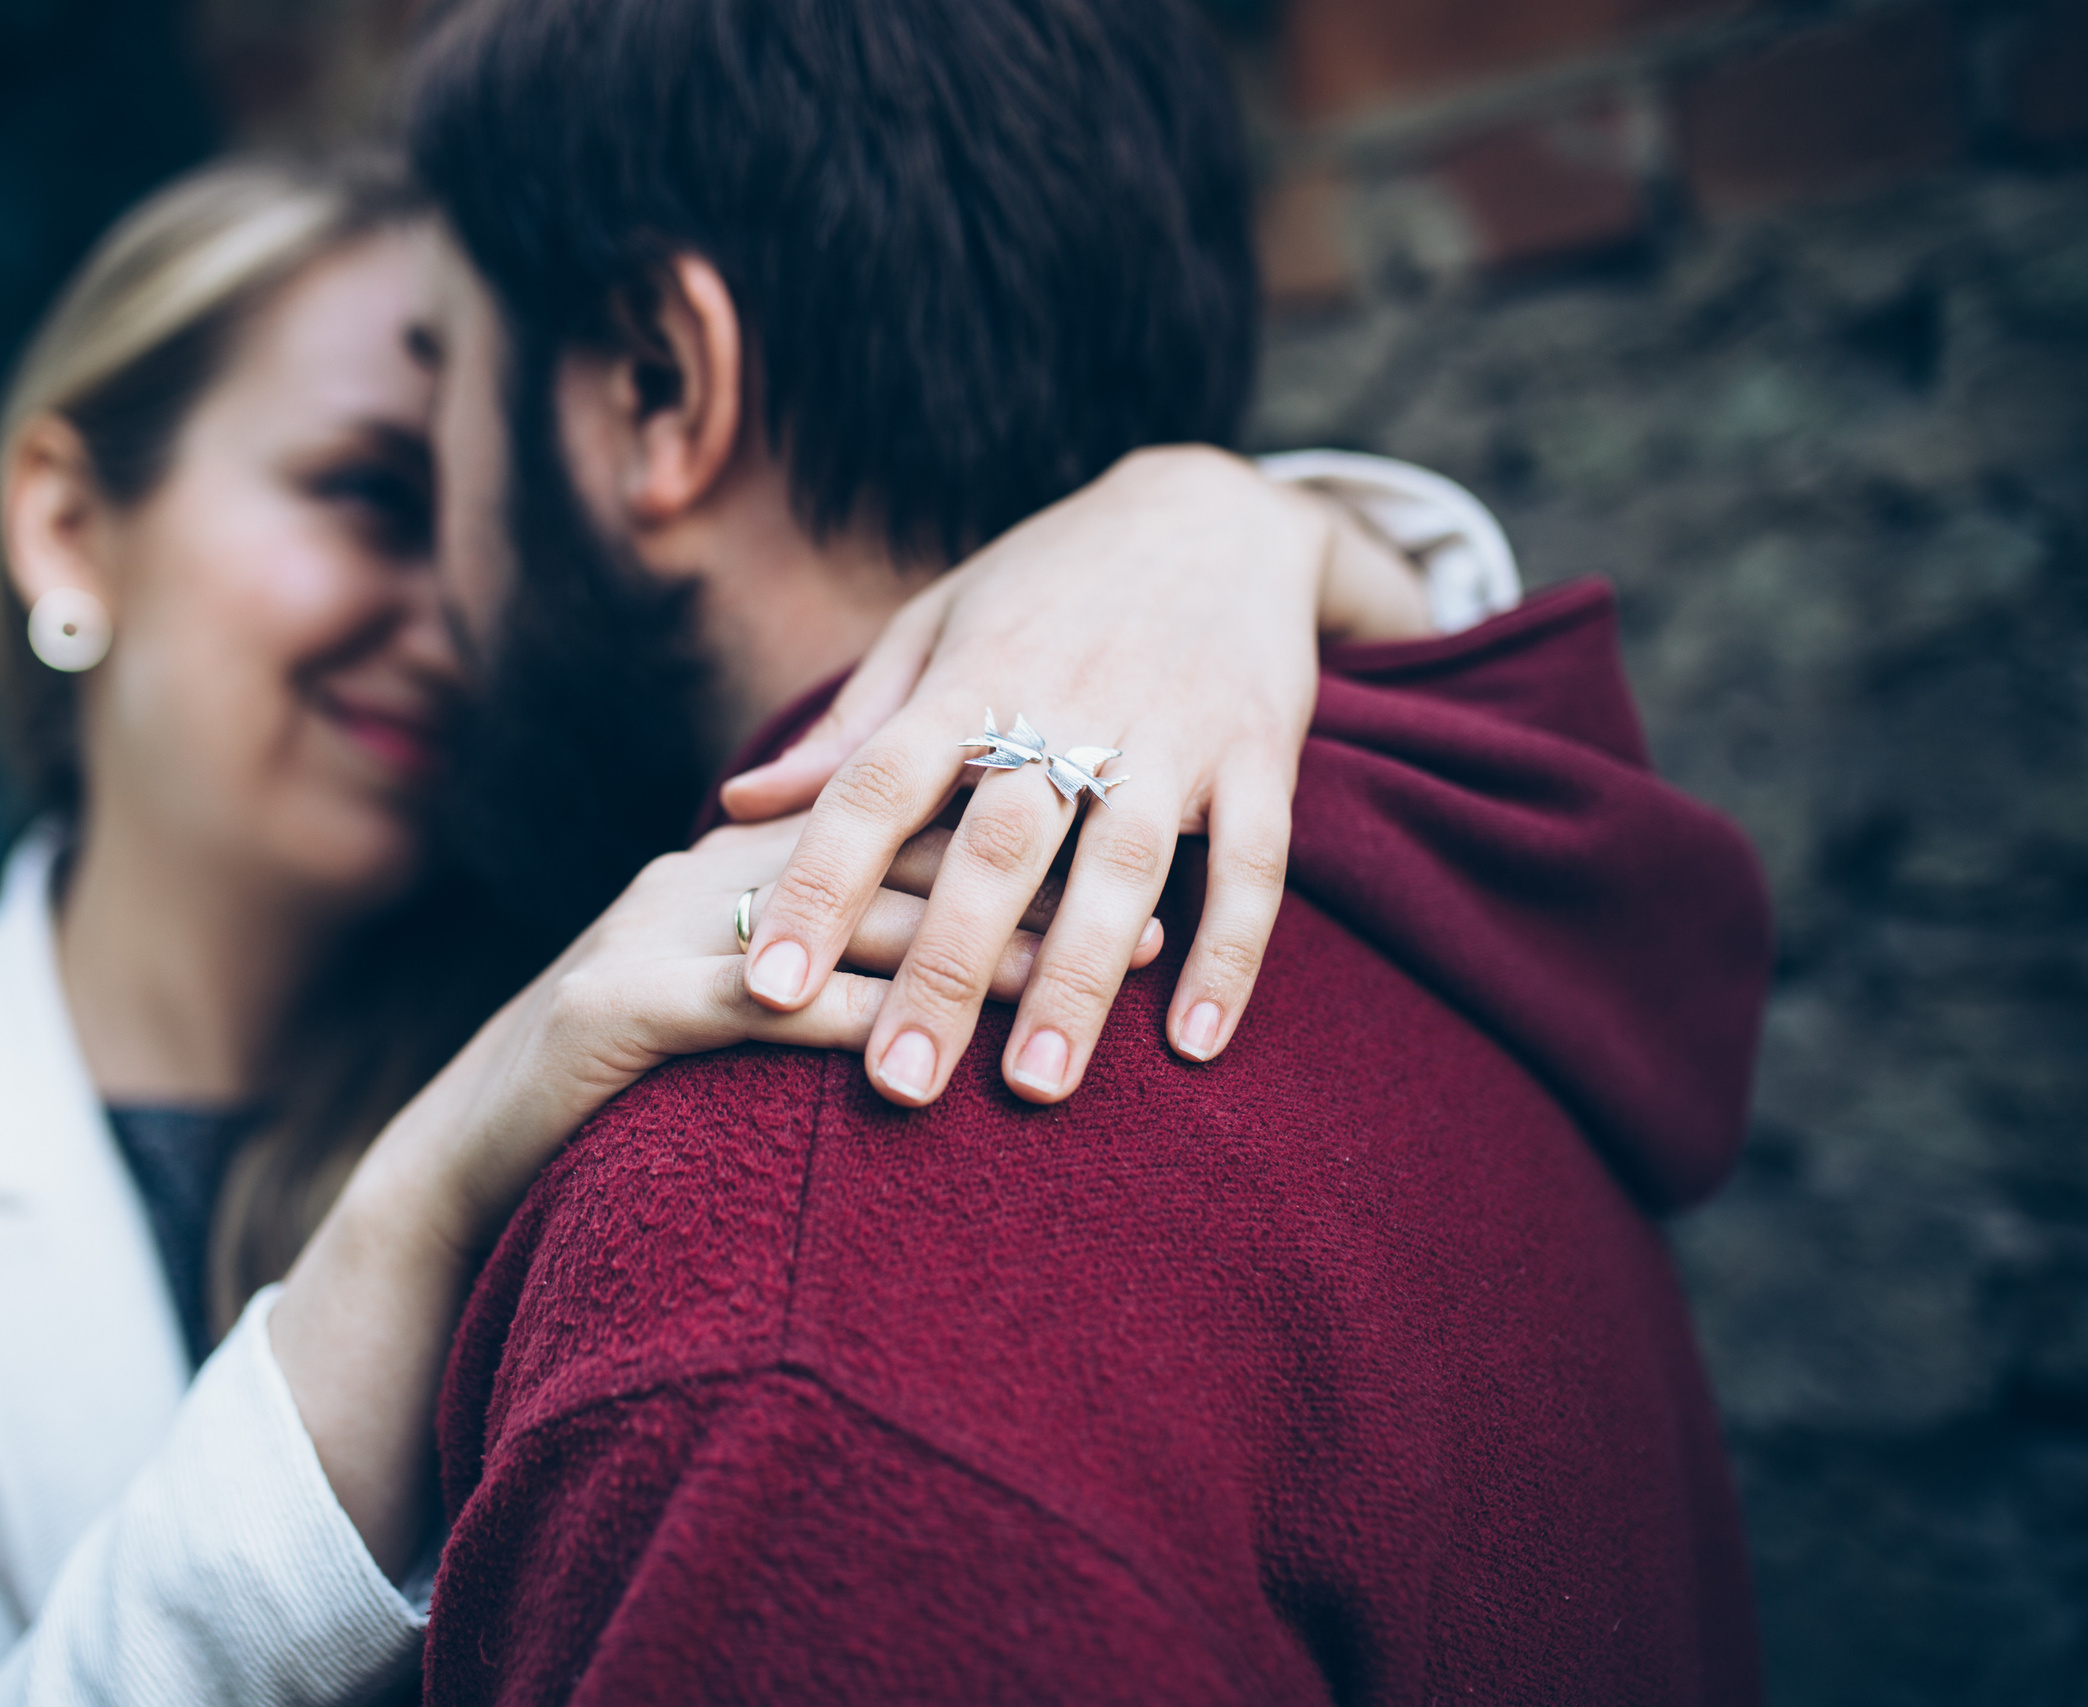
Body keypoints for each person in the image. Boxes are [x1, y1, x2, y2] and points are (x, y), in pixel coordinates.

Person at [0, 143, 1516, 1705]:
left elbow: (1432, 647)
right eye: (362, 491)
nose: (452, 605)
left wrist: (1224, 521)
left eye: (478, 505)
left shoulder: (657, 938)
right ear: (70, 525)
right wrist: (413, 1203)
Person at [401, 0, 1776, 1699]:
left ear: (659, 387)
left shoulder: (773, 1321)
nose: (424, 594)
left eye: (430, 415)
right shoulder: (1453, 895)